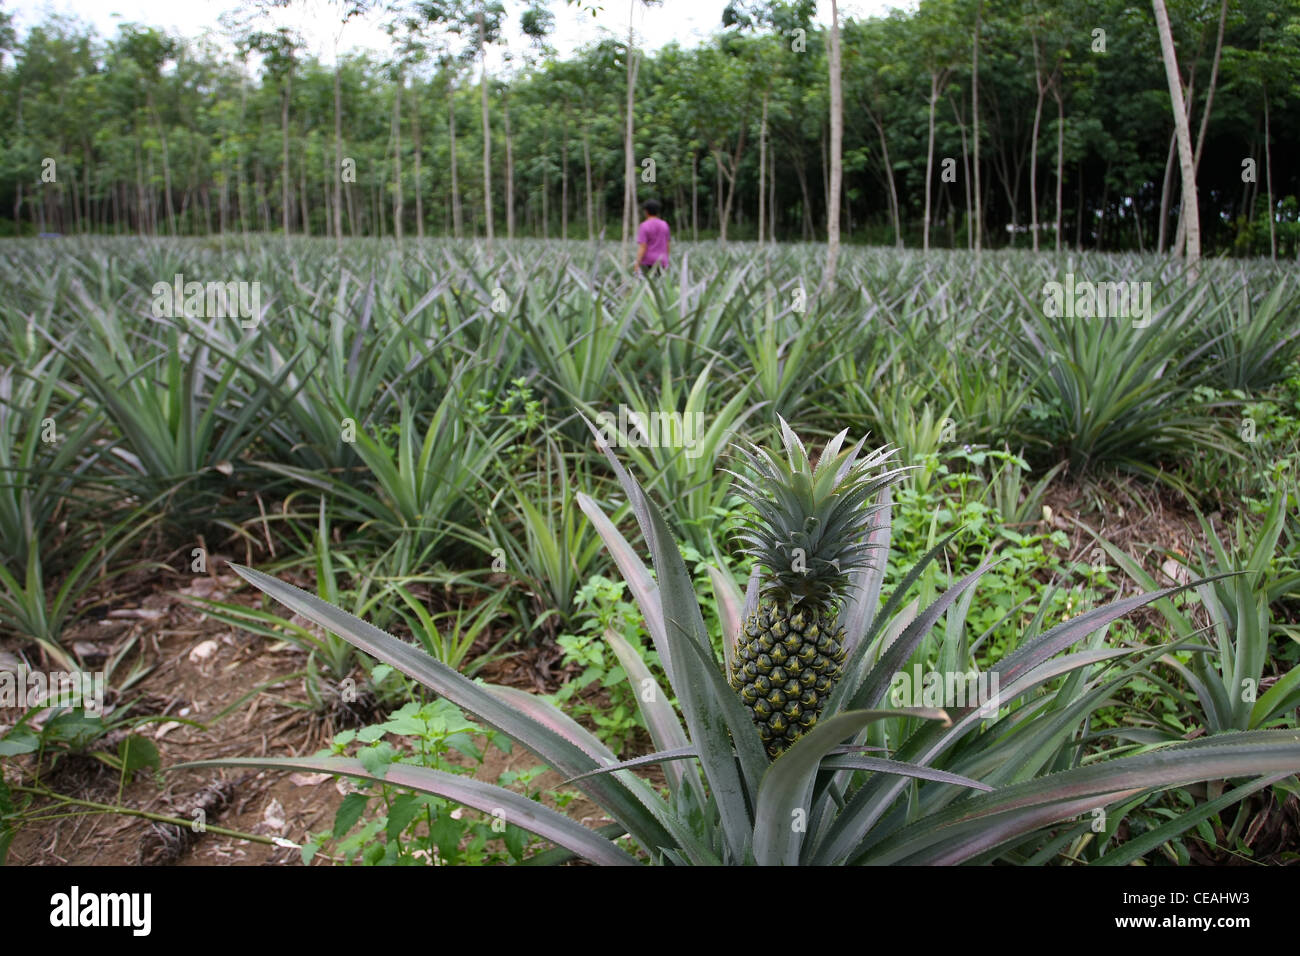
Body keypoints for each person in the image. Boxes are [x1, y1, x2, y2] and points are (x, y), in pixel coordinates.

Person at [634, 199, 670, 276]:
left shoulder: (644, 225)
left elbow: (643, 247)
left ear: (646, 211)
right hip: (662, 261)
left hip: (648, 262)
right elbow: (667, 244)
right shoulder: (665, 224)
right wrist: (667, 259)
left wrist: (637, 263)